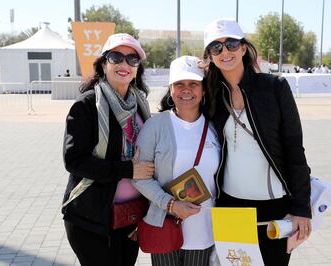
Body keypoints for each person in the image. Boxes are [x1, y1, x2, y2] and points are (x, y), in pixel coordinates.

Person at [202, 18, 311, 265]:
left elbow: (295, 148)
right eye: (216, 47)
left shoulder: (274, 88)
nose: (225, 51)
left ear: (243, 48)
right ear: (210, 55)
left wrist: (302, 207)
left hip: (274, 206)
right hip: (230, 206)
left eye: (230, 43)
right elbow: (174, 104)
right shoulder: (211, 94)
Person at [61, 33, 154, 266]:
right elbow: (73, 160)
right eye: (116, 57)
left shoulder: (140, 104)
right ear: (104, 64)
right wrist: (127, 170)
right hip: (93, 219)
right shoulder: (86, 106)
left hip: (131, 217)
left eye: (132, 59)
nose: (125, 64)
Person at [133, 56, 220, 266]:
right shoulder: (155, 126)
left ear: (204, 90)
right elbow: (140, 178)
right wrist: (171, 205)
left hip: (204, 231)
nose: (186, 90)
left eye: (193, 84)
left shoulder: (216, 127)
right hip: (164, 226)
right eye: (179, 84)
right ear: (171, 89)